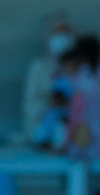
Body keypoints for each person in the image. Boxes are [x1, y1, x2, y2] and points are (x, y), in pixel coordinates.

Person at [23, 16, 75, 146]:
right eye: (57, 33)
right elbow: (30, 103)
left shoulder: (78, 68)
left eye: (65, 32)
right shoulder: (38, 67)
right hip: (42, 128)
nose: (62, 37)